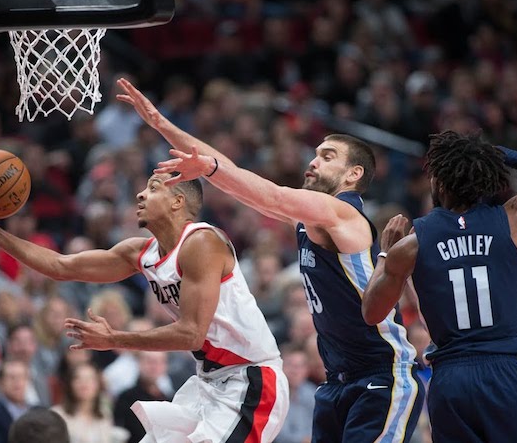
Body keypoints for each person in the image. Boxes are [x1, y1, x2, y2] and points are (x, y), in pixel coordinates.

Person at [117, 78, 423, 442]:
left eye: (327, 157)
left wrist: (210, 167)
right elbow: (233, 175)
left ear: (353, 174)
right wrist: (162, 125)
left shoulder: (343, 214)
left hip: (382, 373)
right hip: (337, 379)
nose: (313, 161)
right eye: (316, 153)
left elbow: (269, 195)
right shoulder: (310, 219)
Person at [0, 170, 289, 442]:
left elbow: (190, 333)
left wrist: (114, 339)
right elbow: (61, 266)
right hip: (209, 383)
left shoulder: (202, 242)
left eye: (153, 188)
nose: (141, 194)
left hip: (252, 380)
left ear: (178, 202)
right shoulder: (141, 253)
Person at [362, 131, 517, 442]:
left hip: (450, 380)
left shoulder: (412, 243)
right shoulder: (516, 217)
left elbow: (371, 312)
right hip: (506, 372)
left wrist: (384, 255)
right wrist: (502, 153)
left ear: (438, 183)